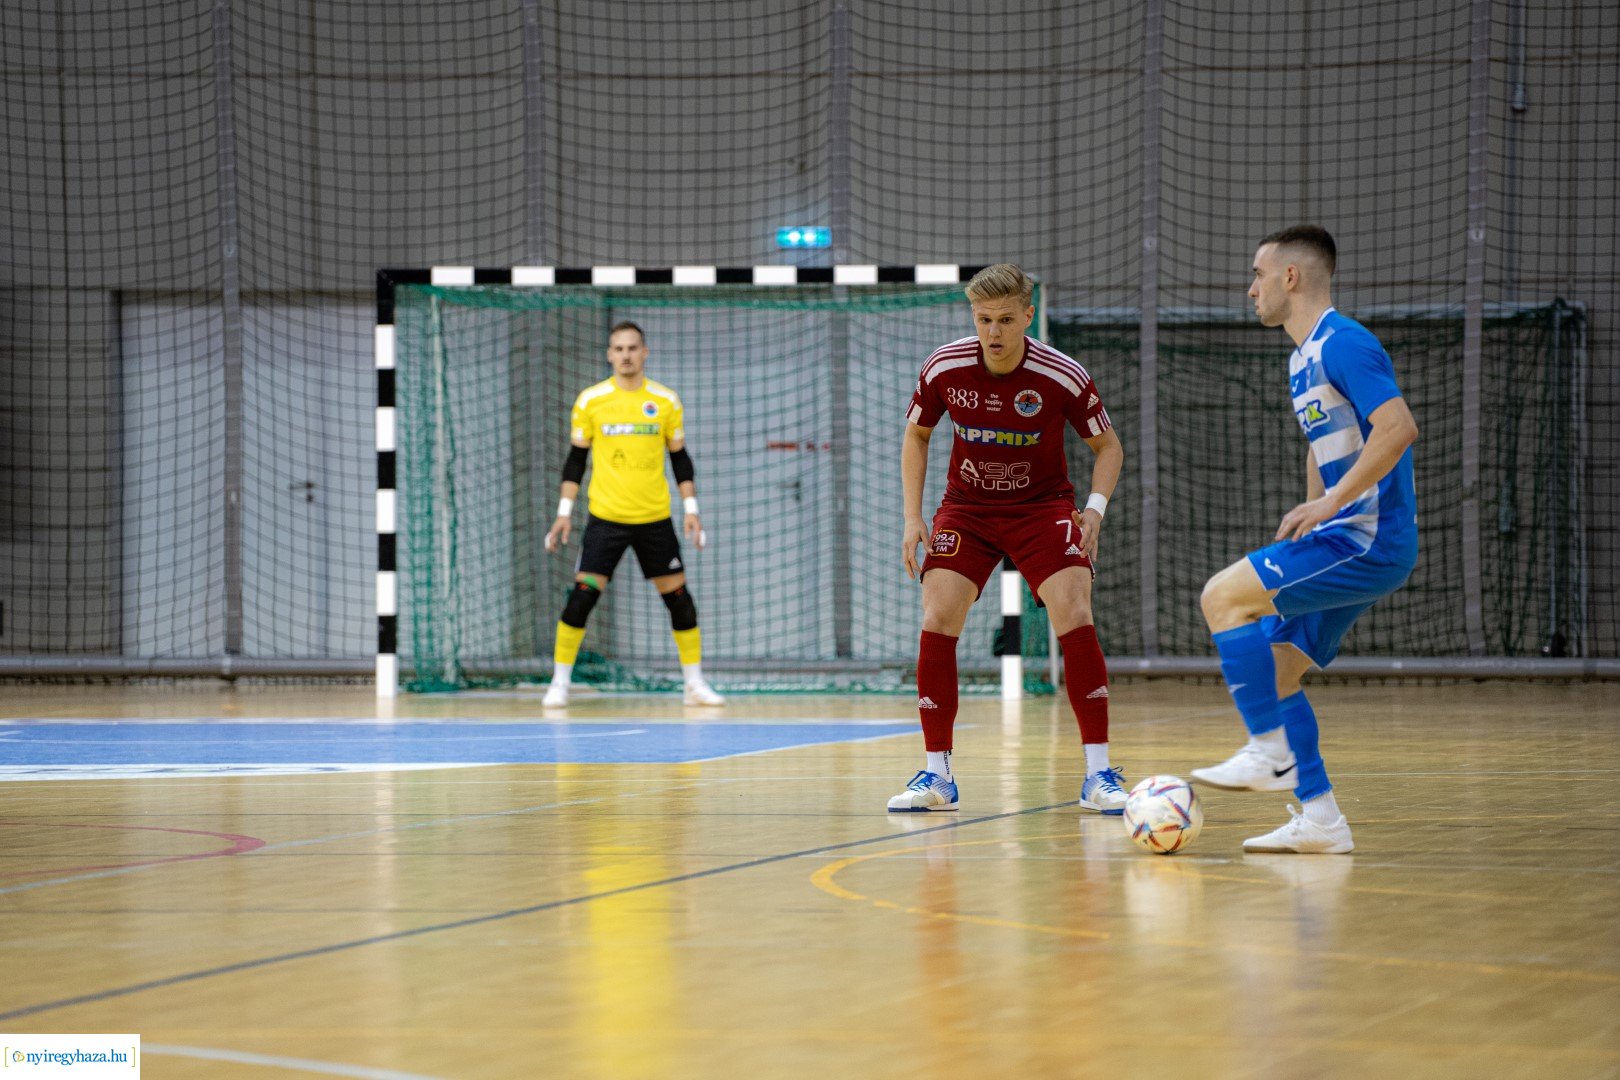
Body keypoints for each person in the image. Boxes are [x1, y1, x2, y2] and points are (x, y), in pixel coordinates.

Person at [1192, 225, 1419, 853]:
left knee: (1221, 597)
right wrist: (1313, 507)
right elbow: (1326, 449)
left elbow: (1397, 428)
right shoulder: (1301, 358)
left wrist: (1332, 504)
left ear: (1290, 277)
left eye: (1258, 276)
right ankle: (1322, 820)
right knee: (1276, 667)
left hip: (1367, 538)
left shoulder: (1345, 342)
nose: (1250, 290)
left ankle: (1267, 751)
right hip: (1344, 533)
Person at [891, 263, 1129, 814]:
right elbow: (917, 434)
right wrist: (913, 516)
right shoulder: (945, 366)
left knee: (1072, 606)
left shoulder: (1061, 374)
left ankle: (1098, 776)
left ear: (1028, 316)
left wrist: (1093, 510)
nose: (992, 333)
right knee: (937, 614)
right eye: (982, 320)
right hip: (967, 509)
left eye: (1004, 320)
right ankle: (937, 777)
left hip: (1040, 508)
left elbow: (1109, 447)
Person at [541, 321, 725, 707]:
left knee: (679, 599)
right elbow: (576, 461)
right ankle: (559, 683)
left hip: (654, 519)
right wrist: (564, 513)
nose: (625, 355)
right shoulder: (591, 400)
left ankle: (694, 684)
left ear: (645, 353)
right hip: (606, 518)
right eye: (618, 349)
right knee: (582, 597)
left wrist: (691, 509)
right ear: (609, 355)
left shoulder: (665, 401)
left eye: (632, 348)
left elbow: (680, 459)